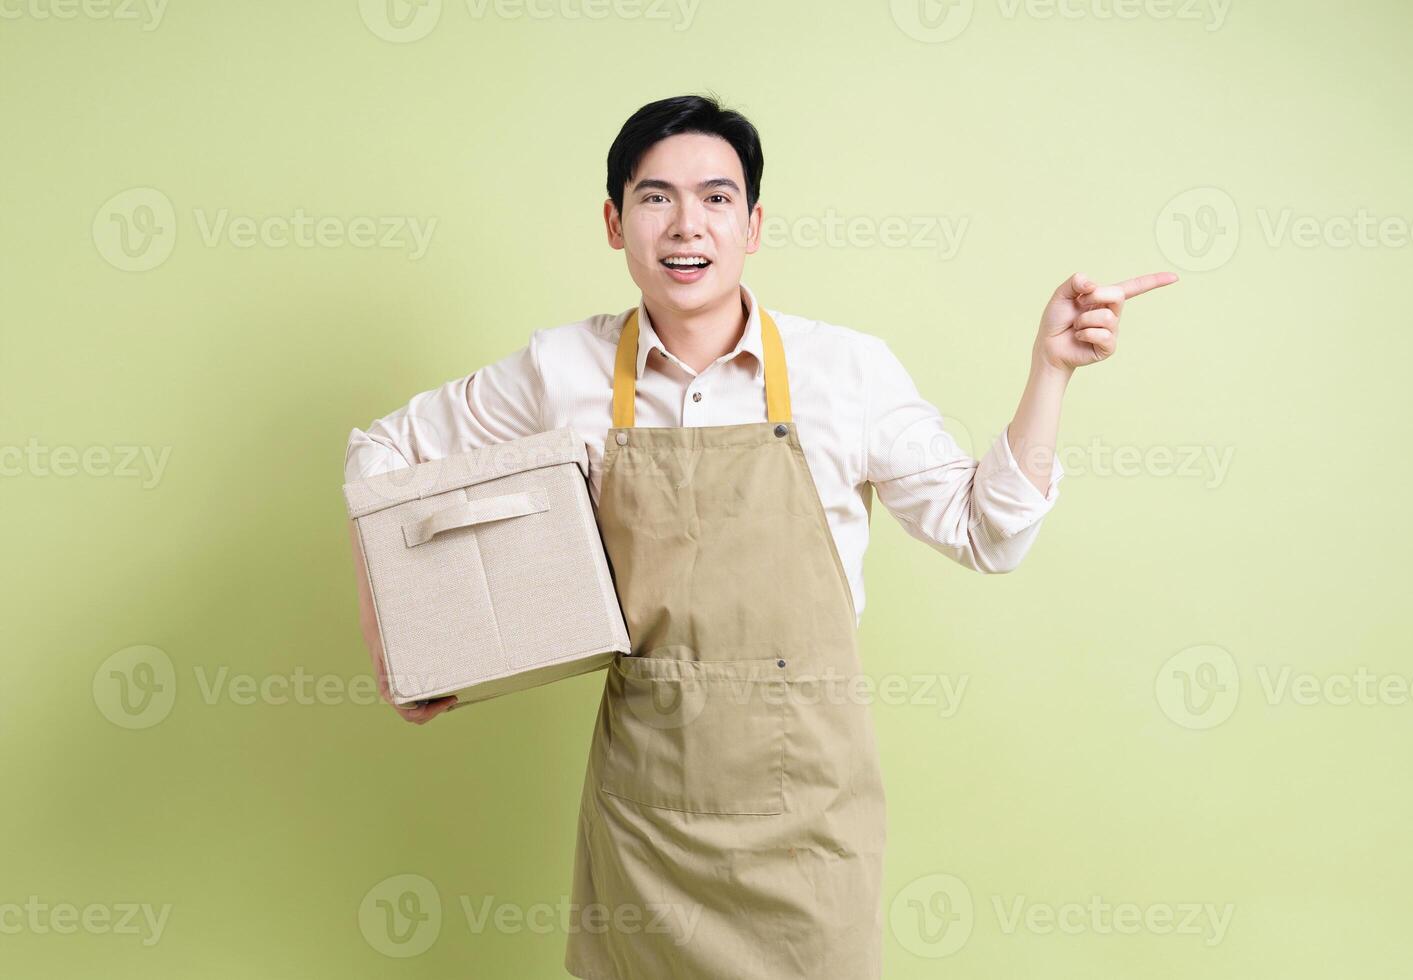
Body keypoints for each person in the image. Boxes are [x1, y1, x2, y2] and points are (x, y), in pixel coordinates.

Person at [344, 93, 1176, 979]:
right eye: (655, 197)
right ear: (614, 223)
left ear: (754, 224)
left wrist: (1050, 373)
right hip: (647, 813)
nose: (684, 225)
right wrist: (397, 642)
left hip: (810, 821)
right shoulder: (564, 370)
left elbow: (986, 533)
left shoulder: (845, 370)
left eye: (715, 197)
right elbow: (381, 456)